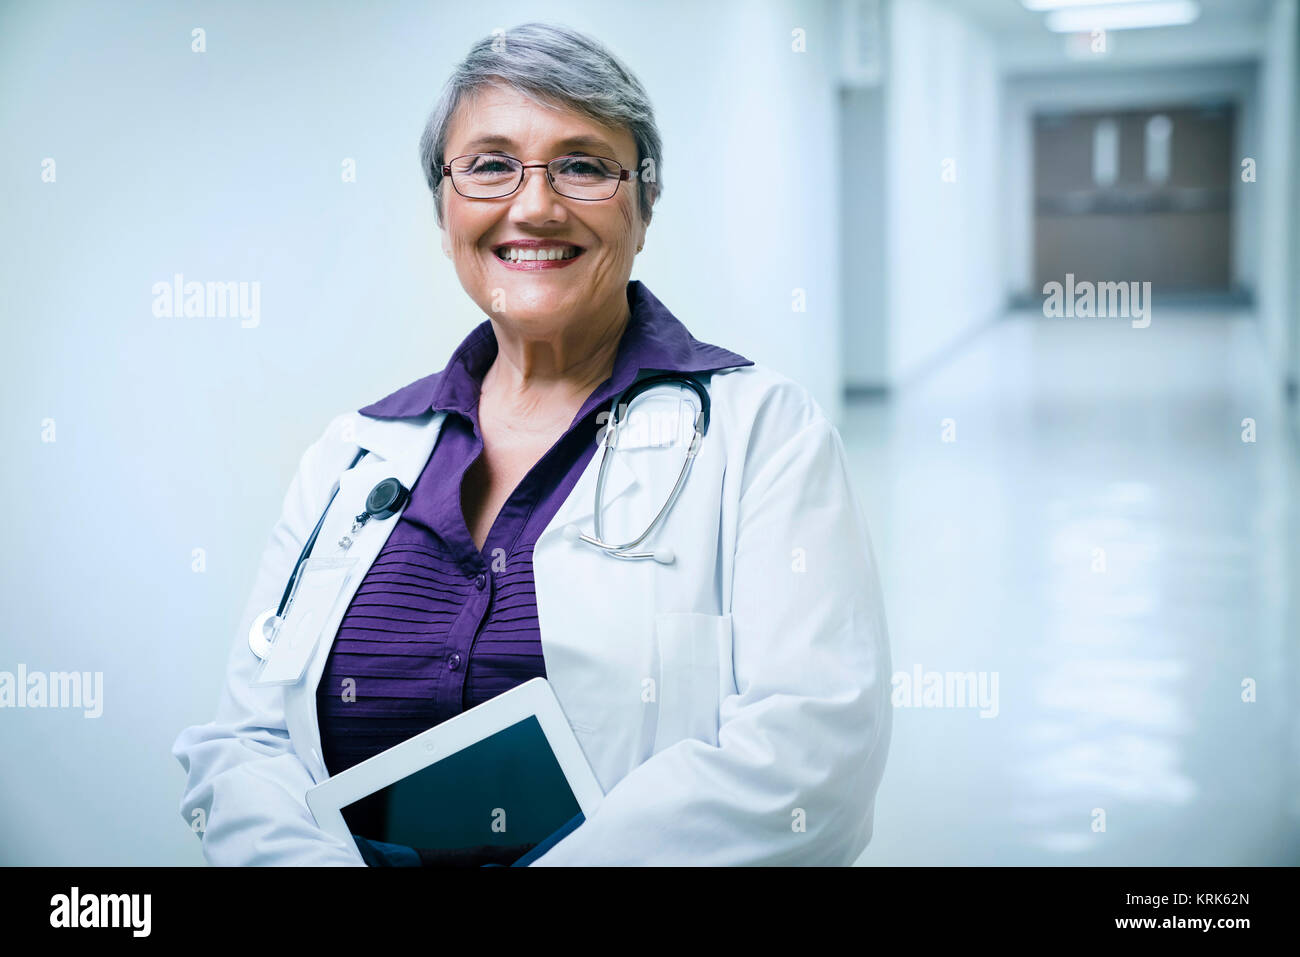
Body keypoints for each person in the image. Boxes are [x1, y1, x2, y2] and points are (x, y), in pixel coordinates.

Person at [172, 21, 891, 866]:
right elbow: (244, 742)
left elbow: (812, 763)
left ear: (645, 205)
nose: (536, 205)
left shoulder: (765, 434)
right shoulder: (354, 454)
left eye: (583, 165)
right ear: (444, 211)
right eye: (489, 165)